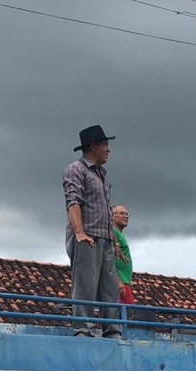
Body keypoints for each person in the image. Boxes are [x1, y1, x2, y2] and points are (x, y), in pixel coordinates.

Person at [62, 124, 122, 338]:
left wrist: (114, 241)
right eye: (105, 144)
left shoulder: (100, 174)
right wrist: (79, 232)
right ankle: (83, 329)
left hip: (104, 237)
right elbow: (73, 201)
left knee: (109, 288)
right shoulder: (76, 169)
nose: (108, 149)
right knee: (85, 283)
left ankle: (112, 330)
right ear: (93, 146)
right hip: (87, 235)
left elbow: (105, 209)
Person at [112, 205, 135, 305]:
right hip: (119, 280)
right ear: (112, 216)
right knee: (130, 311)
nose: (125, 216)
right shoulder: (112, 232)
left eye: (127, 214)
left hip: (125, 280)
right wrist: (118, 280)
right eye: (121, 213)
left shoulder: (119, 234)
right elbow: (108, 258)